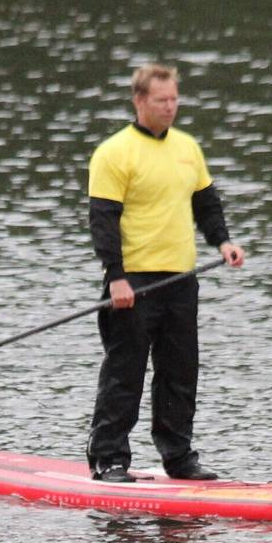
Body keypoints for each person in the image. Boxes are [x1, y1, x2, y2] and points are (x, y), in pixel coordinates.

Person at [85, 63, 245, 483]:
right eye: (162, 100)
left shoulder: (188, 147)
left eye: (175, 99)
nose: (171, 107)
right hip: (133, 282)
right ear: (140, 101)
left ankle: (178, 457)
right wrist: (115, 275)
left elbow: (206, 203)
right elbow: (103, 219)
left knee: (179, 371)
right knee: (126, 373)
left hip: (180, 280)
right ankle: (109, 459)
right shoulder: (114, 153)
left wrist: (223, 242)